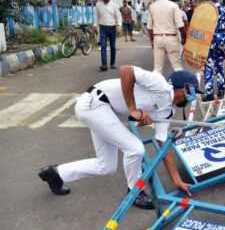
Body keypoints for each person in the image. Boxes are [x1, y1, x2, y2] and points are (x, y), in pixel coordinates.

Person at [38, 66, 199, 209]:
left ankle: (55, 173)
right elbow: (126, 71)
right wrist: (133, 109)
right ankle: (135, 192)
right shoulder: (159, 84)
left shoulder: (168, 111)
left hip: (105, 112)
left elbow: (162, 141)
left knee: (106, 166)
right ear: (184, 90)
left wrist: (177, 180)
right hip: (94, 104)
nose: (193, 99)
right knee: (135, 149)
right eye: (193, 93)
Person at [148, 0, 186, 74]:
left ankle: (156, 87)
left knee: (157, 68)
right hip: (171, 38)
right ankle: (180, 86)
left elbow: (149, 28)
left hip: (157, 38)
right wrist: (184, 37)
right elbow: (180, 25)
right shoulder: (173, 6)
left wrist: (152, 41)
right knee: (177, 66)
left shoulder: (152, 6)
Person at [203, 0, 225, 101]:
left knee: (209, 65)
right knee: (219, 65)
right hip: (221, 39)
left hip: (208, 39)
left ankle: (209, 93)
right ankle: (221, 90)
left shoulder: (204, 9)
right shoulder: (224, 9)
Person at [93, 0, 121, 71]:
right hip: (103, 28)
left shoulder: (114, 5)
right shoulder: (98, 5)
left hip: (112, 28)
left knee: (113, 46)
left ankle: (112, 63)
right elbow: (96, 16)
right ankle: (104, 64)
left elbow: (118, 16)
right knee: (103, 46)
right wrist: (95, 26)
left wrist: (119, 26)